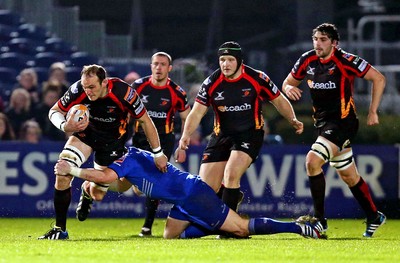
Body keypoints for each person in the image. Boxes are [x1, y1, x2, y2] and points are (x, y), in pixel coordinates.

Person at [53, 146, 324, 240]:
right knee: (171, 235)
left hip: (193, 194)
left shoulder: (128, 160)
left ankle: (299, 227)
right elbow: (122, 184)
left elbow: (105, 177)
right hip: (182, 200)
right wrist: (91, 189)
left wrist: (73, 170)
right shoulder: (133, 157)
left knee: (241, 228)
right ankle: (218, 223)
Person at [176, 41, 304, 225]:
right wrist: (186, 134)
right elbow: (197, 112)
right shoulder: (211, 82)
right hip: (221, 135)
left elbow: (279, 100)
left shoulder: (257, 78)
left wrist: (292, 119)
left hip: (249, 135)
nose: (225, 64)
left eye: (230, 60)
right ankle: (231, 197)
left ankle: (231, 226)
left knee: (231, 173)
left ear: (239, 61)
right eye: (222, 60)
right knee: (206, 188)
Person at [38, 64, 168, 240]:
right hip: (85, 135)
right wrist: (65, 125)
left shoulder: (124, 92)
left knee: (99, 194)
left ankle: (87, 191)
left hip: (112, 143)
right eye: (85, 87)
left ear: (105, 82)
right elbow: (54, 111)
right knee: (63, 170)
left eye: (92, 87)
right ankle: (60, 229)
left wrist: (158, 153)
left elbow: (145, 121)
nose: (88, 91)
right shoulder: (78, 89)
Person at [282, 23, 386, 238]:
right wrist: (289, 87)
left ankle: (320, 221)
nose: (318, 44)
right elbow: (287, 83)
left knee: (312, 161)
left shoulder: (346, 60)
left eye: (323, 40)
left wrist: (373, 111)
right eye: (316, 39)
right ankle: (374, 216)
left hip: (343, 123)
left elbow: (379, 78)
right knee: (349, 176)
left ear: (334, 43)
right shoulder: (307, 59)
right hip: (323, 125)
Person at [130, 52, 191, 237]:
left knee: (154, 179)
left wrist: (183, 145)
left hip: (164, 141)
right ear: (151, 66)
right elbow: (125, 111)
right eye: (155, 64)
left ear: (169, 68)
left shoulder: (177, 92)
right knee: (138, 186)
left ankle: (147, 226)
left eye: (163, 64)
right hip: (140, 139)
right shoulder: (138, 87)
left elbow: (187, 118)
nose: (158, 67)